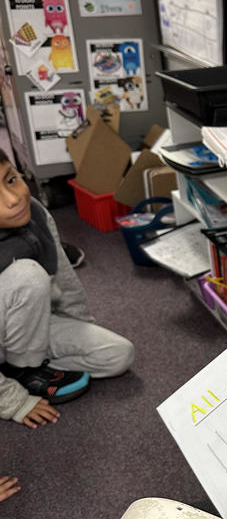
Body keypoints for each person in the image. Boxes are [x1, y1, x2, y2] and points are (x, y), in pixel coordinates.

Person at [0, 151, 135, 427]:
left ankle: (21, 368)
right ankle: (18, 372)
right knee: (28, 276)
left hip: (26, 329)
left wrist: (81, 328)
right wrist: (14, 401)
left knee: (119, 355)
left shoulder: (35, 212)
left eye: (11, 180)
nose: (13, 199)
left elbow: (65, 281)